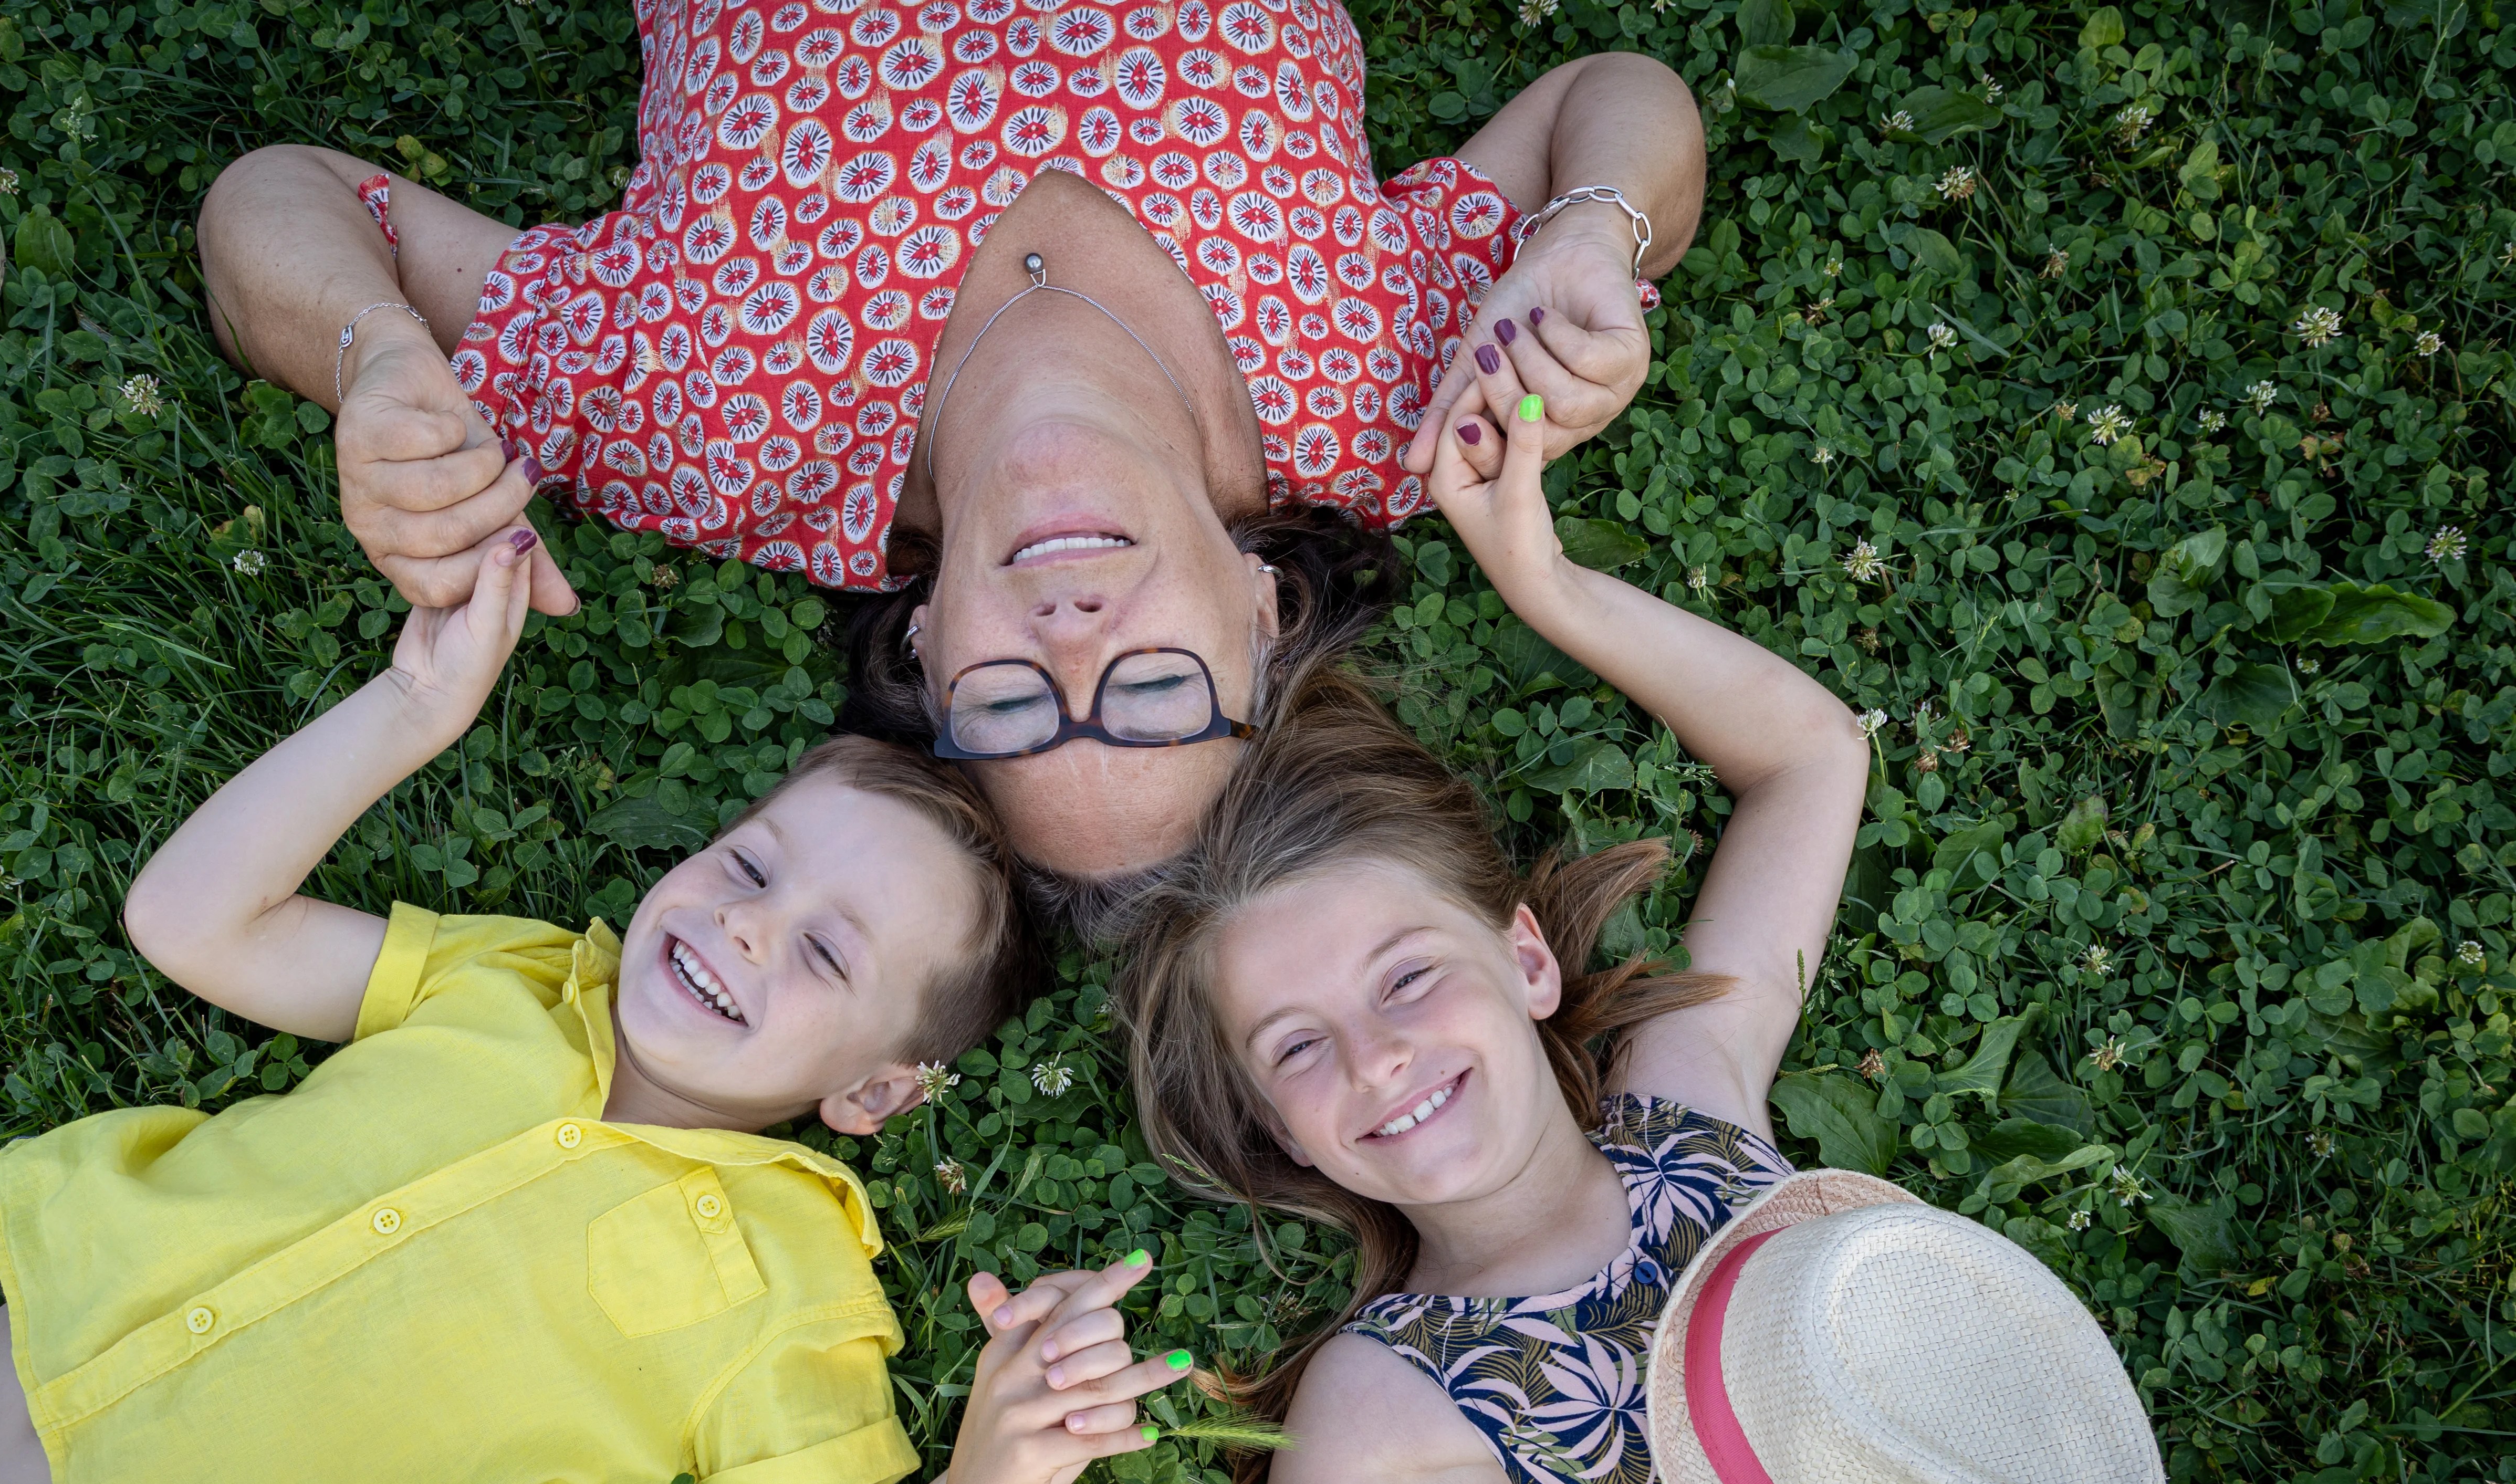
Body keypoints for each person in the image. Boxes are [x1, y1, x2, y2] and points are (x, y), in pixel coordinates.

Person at [935, 374, 2509, 1484]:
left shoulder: (1689, 1102)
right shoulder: (1389, 1407)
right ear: (1278, 1130)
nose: (1378, 1062)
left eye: (1410, 977)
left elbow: (1814, 760)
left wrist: (1544, 581)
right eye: (1297, 1048)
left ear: (1528, 960)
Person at [0, 536, 1191, 1484]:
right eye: (751, 865)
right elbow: (191, 919)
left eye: (828, 958)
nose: (749, 930)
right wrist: (409, 709)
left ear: (876, 1093)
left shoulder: (791, 1283)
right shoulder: (515, 978)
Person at [196, 7, 1708, 893]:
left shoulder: (717, 423)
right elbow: (1613, 97)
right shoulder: (1393, 405)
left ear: (922, 649)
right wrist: (1589, 232)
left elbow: (296, 200)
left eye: (1012, 703)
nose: (1075, 642)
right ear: (1266, 613)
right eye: (1160, 691)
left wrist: (377, 355)